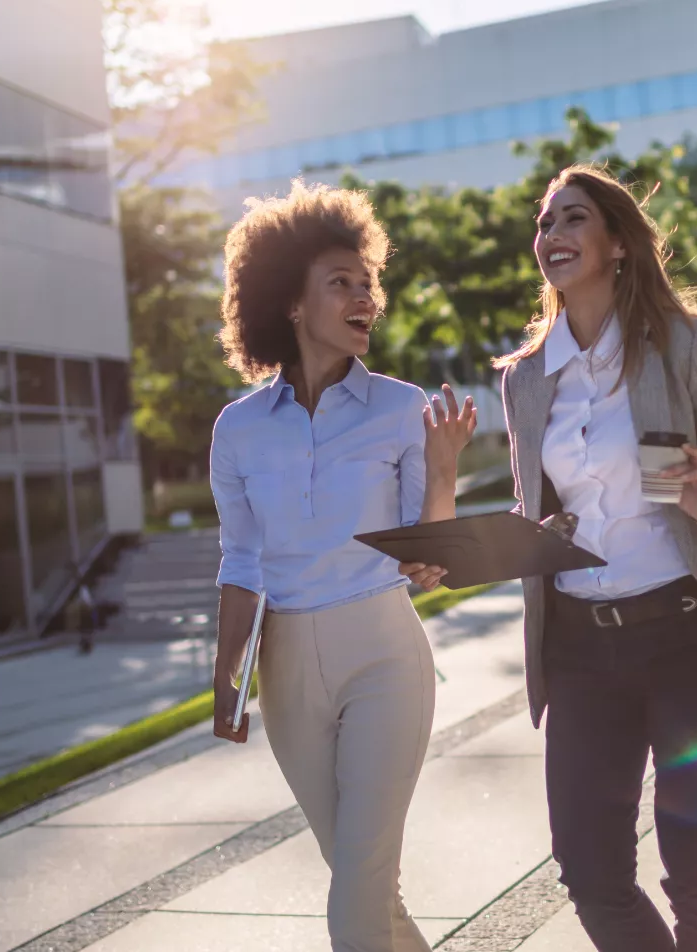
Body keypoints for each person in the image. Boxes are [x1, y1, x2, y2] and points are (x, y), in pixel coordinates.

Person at [493, 164, 697, 951]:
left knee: (695, 861)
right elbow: (541, 507)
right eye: (545, 222)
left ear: (618, 242)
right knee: (588, 870)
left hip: (691, 633)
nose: (552, 235)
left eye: (573, 219)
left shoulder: (688, 343)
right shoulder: (523, 381)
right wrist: (525, 532)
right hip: (583, 646)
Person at [207, 182, 477, 951]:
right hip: (286, 665)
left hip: (383, 652)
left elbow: (429, 554)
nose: (366, 296)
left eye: (369, 283)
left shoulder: (401, 407)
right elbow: (240, 559)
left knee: (357, 878)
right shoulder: (238, 430)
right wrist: (227, 677)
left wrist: (445, 470)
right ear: (292, 303)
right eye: (341, 283)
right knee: (363, 879)